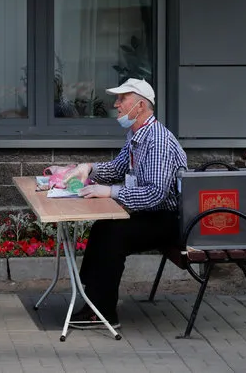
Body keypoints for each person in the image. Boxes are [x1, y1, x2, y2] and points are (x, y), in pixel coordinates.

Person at [61, 78, 187, 329]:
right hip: (152, 214)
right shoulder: (138, 133)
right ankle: (93, 299)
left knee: (113, 234)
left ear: (139, 106)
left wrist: (110, 192)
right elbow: (117, 168)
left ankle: (104, 312)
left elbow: (155, 194)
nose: (116, 104)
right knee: (104, 228)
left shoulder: (158, 141)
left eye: (122, 99)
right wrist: (87, 169)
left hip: (168, 220)